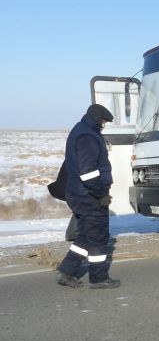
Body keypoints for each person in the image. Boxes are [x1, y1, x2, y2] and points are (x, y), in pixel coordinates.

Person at [56, 104, 120, 289]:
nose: (104, 125)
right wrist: (101, 195)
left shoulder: (81, 130)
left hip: (79, 194)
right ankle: (99, 278)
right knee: (99, 236)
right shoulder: (88, 136)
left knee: (86, 234)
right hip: (88, 196)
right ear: (97, 119)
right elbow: (88, 173)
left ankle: (66, 272)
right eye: (103, 121)